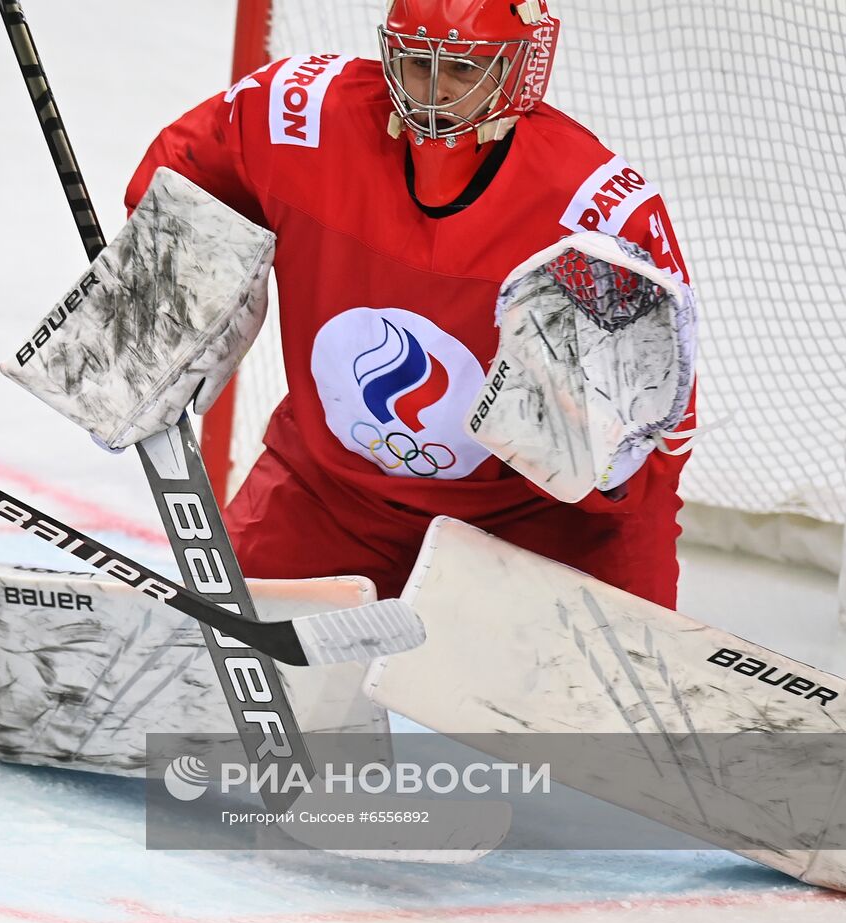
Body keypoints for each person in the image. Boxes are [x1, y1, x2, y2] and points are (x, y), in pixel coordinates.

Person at [124, 0, 695, 609]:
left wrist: (603, 472)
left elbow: (659, 423)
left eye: (463, 70)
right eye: (418, 63)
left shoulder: (593, 214)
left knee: (606, 702)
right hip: (330, 493)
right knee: (204, 661)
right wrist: (158, 297)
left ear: (522, 70)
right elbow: (187, 173)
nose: (433, 94)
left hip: (532, 520)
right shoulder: (299, 118)